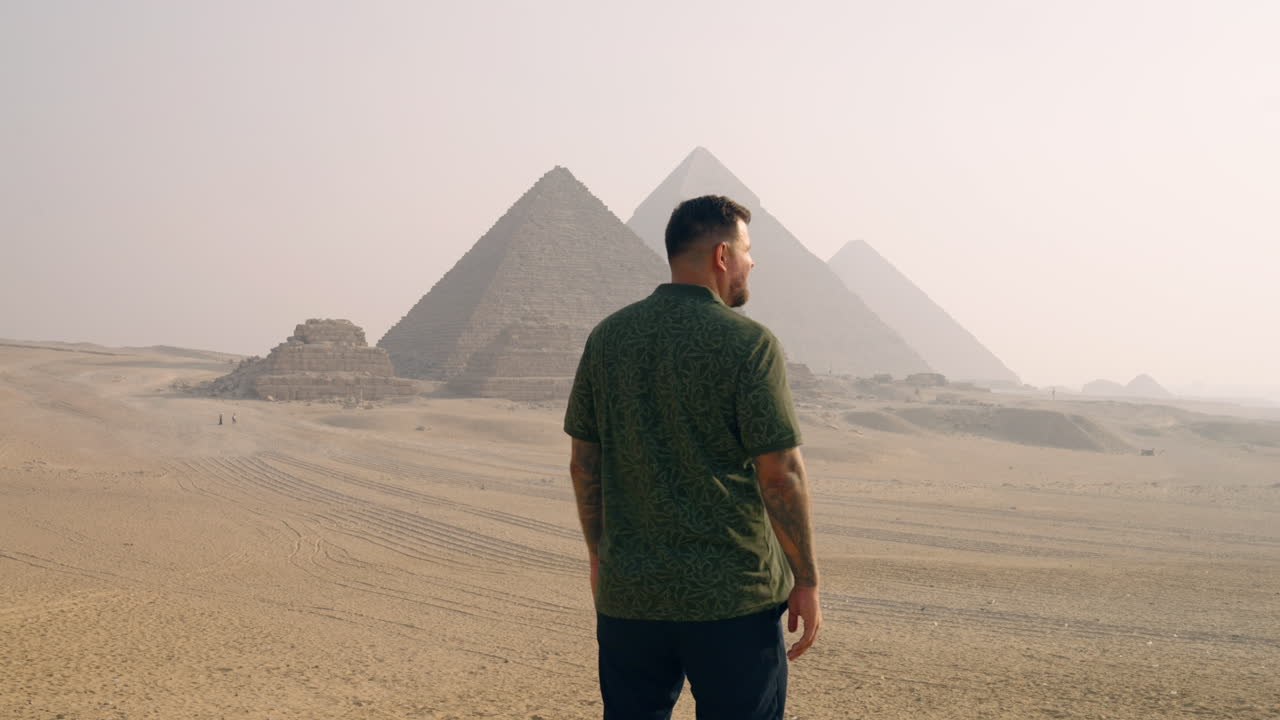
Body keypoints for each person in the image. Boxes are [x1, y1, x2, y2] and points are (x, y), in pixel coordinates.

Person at [565, 195, 821, 719]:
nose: (753, 263)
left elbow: (584, 465)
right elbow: (781, 475)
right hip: (733, 602)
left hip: (630, 594)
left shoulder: (607, 339)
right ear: (723, 255)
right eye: (749, 251)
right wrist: (807, 579)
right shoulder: (749, 344)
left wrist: (600, 556)